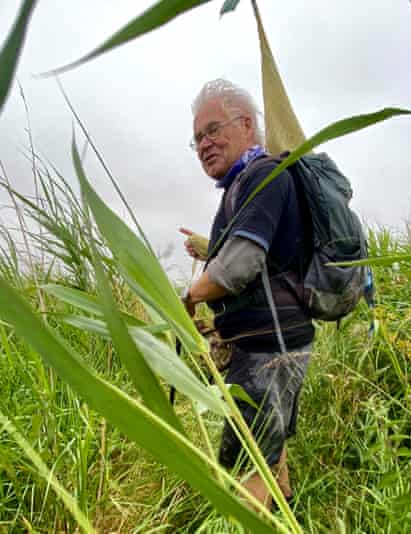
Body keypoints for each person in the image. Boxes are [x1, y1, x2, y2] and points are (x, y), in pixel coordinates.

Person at [180, 79, 314, 511]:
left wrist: (189, 296)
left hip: (271, 348)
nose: (204, 144)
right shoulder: (240, 186)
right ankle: (289, 507)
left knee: (245, 470)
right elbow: (259, 262)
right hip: (260, 344)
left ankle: (259, 513)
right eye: (198, 137)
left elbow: (240, 265)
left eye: (213, 130)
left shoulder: (264, 175)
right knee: (267, 452)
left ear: (247, 124)